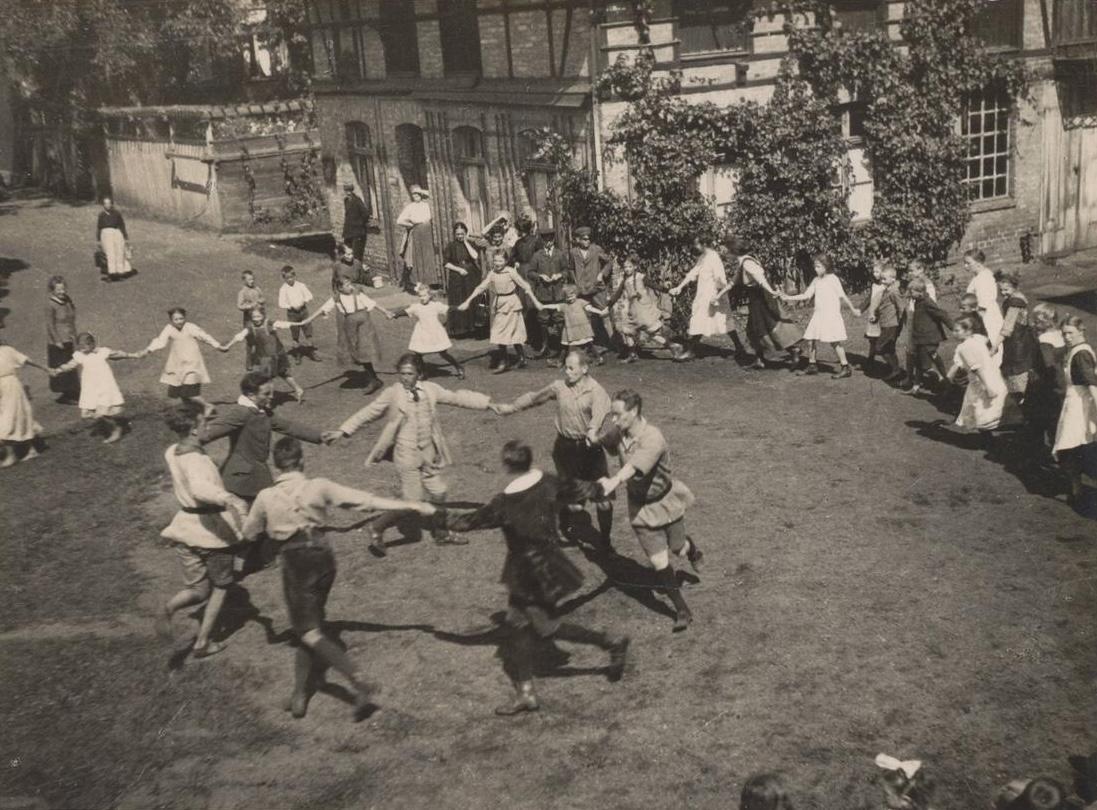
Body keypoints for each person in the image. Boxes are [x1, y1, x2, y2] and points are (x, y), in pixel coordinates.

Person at [242, 436, 436, 720]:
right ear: (302, 461)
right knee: (312, 628)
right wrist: (413, 506)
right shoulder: (318, 486)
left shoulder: (265, 496)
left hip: (297, 564)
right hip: (324, 558)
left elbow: (248, 534)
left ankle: (357, 681)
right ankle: (298, 696)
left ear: (276, 466)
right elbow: (365, 502)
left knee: (308, 631)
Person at [432, 440, 629, 716]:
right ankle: (526, 693)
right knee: (517, 625)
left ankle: (610, 642)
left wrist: (433, 516)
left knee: (546, 627)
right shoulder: (549, 483)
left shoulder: (504, 503)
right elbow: (586, 489)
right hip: (548, 566)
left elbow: (467, 522)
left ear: (508, 466)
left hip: (530, 574)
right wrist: (603, 486)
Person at [324, 353, 498, 555]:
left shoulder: (430, 390)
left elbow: (457, 397)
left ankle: (441, 534)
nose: (404, 378)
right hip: (406, 455)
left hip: (429, 454)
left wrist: (487, 404)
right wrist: (343, 430)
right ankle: (377, 527)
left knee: (439, 492)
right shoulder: (392, 393)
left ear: (420, 374)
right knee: (413, 502)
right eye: (402, 373)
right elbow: (368, 412)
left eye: (409, 374)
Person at [599, 389, 703, 632]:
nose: (614, 420)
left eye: (618, 415)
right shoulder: (618, 432)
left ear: (633, 412)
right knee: (659, 563)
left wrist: (614, 481)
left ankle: (692, 549)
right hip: (640, 509)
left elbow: (634, 466)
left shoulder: (653, 438)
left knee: (678, 548)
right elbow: (607, 443)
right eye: (612, 415)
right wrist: (592, 437)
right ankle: (682, 610)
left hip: (665, 502)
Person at [156, 402, 251, 659]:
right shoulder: (198, 461)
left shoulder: (172, 451)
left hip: (184, 529)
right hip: (210, 534)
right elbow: (200, 488)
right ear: (195, 429)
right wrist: (228, 498)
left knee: (198, 591)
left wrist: (204, 412)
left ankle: (169, 608)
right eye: (204, 423)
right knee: (222, 585)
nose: (208, 426)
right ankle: (203, 642)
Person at [497, 351, 616, 551]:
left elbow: (599, 414)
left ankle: (605, 541)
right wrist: (511, 407)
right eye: (565, 367)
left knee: (603, 501)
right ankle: (562, 520)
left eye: (571, 368)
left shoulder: (597, 391)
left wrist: (592, 430)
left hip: (590, 450)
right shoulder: (559, 387)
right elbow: (535, 398)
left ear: (584, 368)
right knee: (575, 505)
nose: (566, 371)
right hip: (565, 449)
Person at [200, 370, 325, 504]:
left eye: (271, 392)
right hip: (241, 478)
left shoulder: (263, 411)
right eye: (266, 394)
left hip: (256, 474)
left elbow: (288, 426)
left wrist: (321, 436)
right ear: (251, 395)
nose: (271, 397)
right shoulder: (241, 412)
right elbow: (207, 434)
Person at [457, 251, 545, 374]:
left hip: (511, 304)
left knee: (513, 332)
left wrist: (536, 302)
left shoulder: (511, 272)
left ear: (506, 261)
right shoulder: (492, 274)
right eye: (495, 261)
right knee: (498, 332)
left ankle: (517, 359)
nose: (497, 263)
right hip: (499, 304)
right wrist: (467, 301)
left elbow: (525, 286)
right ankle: (507, 360)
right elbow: (481, 287)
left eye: (500, 261)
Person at [50, 332, 142, 444]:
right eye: (81, 345)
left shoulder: (102, 352)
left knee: (102, 412)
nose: (83, 347)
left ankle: (115, 429)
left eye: (87, 344)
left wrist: (134, 355)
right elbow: (69, 365)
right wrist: (58, 370)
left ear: (93, 343)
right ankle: (107, 424)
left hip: (104, 387)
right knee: (87, 414)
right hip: (90, 389)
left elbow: (117, 354)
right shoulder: (80, 356)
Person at [724, 236, 801, 370]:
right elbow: (733, 281)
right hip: (755, 297)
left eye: (728, 251)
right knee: (754, 329)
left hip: (759, 298)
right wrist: (719, 294)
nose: (726, 254)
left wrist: (771, 291)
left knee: (767, 326)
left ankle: (794, 350)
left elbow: (760, 279)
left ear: (734, 251)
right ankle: (759, 359)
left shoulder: (748, 263)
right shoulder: (744, 262)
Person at [779, 253, 859, 379]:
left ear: (826, 266)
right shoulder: (816, 280)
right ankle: (812, 365)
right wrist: (787, 297)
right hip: (819, 314)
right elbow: (806, 295)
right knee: (810, 339)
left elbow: (843, 295)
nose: (816, 269)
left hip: (831, 315)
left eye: (818, 266)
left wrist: (853, 309)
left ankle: (845, 367)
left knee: (834, 341)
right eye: (815, 266)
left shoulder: (833, 279)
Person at [670, 237, 748, 363]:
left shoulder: (713, 257)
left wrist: (718, 296)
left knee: (722, 321)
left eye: (696, 244)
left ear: (704, 244)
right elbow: (693, 273)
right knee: (703, 320)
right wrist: (679, 287)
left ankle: (690, 351)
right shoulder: (703, 257)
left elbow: (720, 277)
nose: (695, 246)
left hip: (713, 296)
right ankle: (739, 348)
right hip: (704, 295)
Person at [314, 277, 395, 395]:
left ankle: (373, 380)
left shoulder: (358, 294)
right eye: (347, 285)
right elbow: (323, 309)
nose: (350, 287)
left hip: (364, 324)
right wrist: (304, 321)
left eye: (350, 284)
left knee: (365, 351)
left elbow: (373, 303)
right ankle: (374, 378)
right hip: (350, 326)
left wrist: (386, 312)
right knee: (356, 352)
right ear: (340, 288)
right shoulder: (336, 298)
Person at [219, 305, 308, 403]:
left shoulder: (269, 323)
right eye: (254, 317)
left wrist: (300, 323)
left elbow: (283, 324)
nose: (256, 319)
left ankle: (268, 401)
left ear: (263, 316)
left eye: (258, 316)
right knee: (282, 374)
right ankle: (298, 389)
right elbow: (239, 337)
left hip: (272, 356)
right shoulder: (250, 328)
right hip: (266, 355)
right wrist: (228, 345)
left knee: (266, 378)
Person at [143, 307, 223, 414]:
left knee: (190, 392)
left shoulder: (191, 327)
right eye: (176, 319)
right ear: (171, 320)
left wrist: (218, 346)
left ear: (185, 318)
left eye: (181, 318)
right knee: (179, 391)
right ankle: (191, 410)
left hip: (192, 363)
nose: (179, 321)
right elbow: (161, 341)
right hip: (177, 364)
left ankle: (207, 406)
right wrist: (148, 350)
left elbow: (204, 336)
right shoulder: (169, 328)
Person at [1053, 316, 1097, 504]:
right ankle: (1076, 489)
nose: (1067, 337)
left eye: (1071, 333)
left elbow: (1092, 384)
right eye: (1064, 334)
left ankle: (1077, 489)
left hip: (1081, 405)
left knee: (1070, 446)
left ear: (1081, 331)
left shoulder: (1081, 354)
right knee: (1073, 447)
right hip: (1074, 403)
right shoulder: (1075, 351)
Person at [606, 253, 681, 363]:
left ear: (635, 266)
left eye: (630, 266)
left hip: (643, 311)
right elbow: (617, 295)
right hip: (634, 312)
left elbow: (654, 285)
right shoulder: (625, 281)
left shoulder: (641, 277)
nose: (627, 269)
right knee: (630, 332)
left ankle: (672, 346)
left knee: (645, 333)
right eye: (625, 267)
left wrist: (667, 290)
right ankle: (634, 353)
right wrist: (608, 306)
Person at [946, 315, 1008, 434]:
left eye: (957, 331)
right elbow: (986, 343)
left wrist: (988, 387)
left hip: (982, 382)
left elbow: (976, 369)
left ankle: (988, 440)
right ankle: (988, 437)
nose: (954, 333)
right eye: (953, 330)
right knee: (987, 410)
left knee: (981, 411)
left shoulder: (964, 347)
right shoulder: (977, 338)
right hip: (993, 375)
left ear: (968, 331)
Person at [390, 283, 464, 379]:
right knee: (419, 353)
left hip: (435, 332)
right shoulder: (416, 307)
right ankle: (423, 372)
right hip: (422, 333)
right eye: (420, 296)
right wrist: (394, 314)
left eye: (424, 295)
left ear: (429, 295)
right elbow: (405, 312)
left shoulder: (436, 305)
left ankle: (459, 367)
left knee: (443, 353)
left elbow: (448, 308)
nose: (422, 298)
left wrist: (459, 308)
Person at [1024, 303, 1066, 455]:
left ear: (1046, 321)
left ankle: (1042, 451)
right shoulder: (1059, 334)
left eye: (1037, 321)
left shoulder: (1045, 340)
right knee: (1056, 418)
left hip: (1044, 385)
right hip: (1059, 382)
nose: (1035, 324)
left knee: (1038, 418)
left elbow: (1049, 365)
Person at [0, 338, 48, 468]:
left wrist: (45, 368)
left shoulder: (7, 351)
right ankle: (31, 449)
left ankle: (12, 455)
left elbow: (26, 360)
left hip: (10, 386)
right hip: (2, 390)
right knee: (16, 417)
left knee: (9, 418)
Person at [568, 226, 615, 356]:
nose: (587, 241)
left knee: (604, 313)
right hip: (582, 289)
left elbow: (609, 262)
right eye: (584, 239)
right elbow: (571, 268)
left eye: (588, 239)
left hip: (597, 288)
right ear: (577, 240)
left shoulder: (596, 249)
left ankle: (613, 342)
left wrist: (602, 274)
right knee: (585, 317)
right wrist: (576, 281)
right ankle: (589, 345)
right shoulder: (573, 252)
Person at [904, 277, 952, 395]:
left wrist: (953, 327)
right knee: (920, 362)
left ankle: (945, 380)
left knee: (926, 364)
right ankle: (916, 387)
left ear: (920, 292)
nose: (910, 294)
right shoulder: (918, 301)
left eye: (912, 292)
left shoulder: (927, 302)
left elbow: (942, 314)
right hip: (921, 338)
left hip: (929, 338)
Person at [527, 229, 569, 366]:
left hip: (557, 293)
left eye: (550, 239)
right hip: (543, 293)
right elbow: (530, 272)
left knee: (559, 319)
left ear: (553, 240)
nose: (548, 242)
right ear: (542, 241)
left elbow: (567, 270)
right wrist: (540, 276)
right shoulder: (537, 255)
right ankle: (545, 347)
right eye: (545, 240)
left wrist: (559, 275)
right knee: (543, 320)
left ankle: (562, 347)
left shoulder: (560, 254)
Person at [540, 284, 609, 366]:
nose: (570, 298)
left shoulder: (581, 302)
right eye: (567, 297)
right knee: (565, 345)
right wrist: (543, 306)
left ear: (576, 294)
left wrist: (600, 312)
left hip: (581, 327)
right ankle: (560, 361)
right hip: (569, 329)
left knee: (588, 343)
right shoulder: (565, 305)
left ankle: (598, 358)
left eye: (572, 296)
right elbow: (555, 306)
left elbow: (590, 308)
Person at [996, 270, 1039, 398]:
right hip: (1023, 337)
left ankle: (1021, 397)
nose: (1003, 293)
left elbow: (1007, 327)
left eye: (1006, 290)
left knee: (1016, 369)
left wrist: (995, 346)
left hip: (1017, 341)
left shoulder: (1014, 303)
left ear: (1014, 287)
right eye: (1001, 290)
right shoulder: (1019, 297)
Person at [443, 221, 487, 338]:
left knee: (471, 298)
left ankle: (473, 327)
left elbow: (475, 256)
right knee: (459, 300)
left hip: (471, 275)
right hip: (457, 276)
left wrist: (466, 242)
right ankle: (460, 329)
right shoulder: (450, 246)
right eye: (458, 234)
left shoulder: (470, 244)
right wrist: (458, 270)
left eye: (462, 234)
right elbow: (446, 263)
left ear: (465, 233)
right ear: (454, 234)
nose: (460, 236)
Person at [510, 216, 545, 355]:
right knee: (524, 305)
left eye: (523, 230)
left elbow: (541, 257)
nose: (522, 233)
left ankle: (539, 338)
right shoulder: (518, 243)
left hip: (532, 273)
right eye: (521, 230)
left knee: (532, 305)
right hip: (522, 273)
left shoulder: (537, 241)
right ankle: (529, 336)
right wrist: (516, 262)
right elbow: (511, 257)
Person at [45, 275, 79, 404]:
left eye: (63, 289)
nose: (62, 292)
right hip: (58, 342)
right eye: (58, 290)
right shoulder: (50, 304)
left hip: (69, 338)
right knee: (62, 367)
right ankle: (67, 394)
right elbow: (50, 325)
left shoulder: (67, 300)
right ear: (52, 290)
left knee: (71, 365)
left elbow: (71, 318)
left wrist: (75, 336)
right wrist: (57, 340)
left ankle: (72, 391)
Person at [865, 266, 904, 379]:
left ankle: (895, 368)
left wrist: (900, 323)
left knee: (879, 347)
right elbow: (882, 306)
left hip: (891, 325)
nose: (882, 281)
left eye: (884, 279)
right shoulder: (885, 291)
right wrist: (875, 316)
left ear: (893, 279)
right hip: (885, 324)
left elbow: (901, 308)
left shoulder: (893, 292)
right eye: (881, 279)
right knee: (889, 347)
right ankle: (895, 369)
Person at [396, 185, 436, 291]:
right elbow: (399, 220)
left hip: (427, 232)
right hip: (417, 231)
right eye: (414, 194)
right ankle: (419, 282)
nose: (416, 196)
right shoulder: (410, 207)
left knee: (427, 256)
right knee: (417, 257)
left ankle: (429, 282)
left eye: (417, 194)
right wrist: (410, 225)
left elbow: (429, 218)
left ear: (421, 195)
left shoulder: (426, 205)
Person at [964, 249, 1004, 349]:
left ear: (978, 263)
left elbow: (983, 305)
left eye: (968, 263)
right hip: (982, 316)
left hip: (987, 318)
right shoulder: (979, 276)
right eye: (965, 263)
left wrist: (976, 325)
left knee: (990, 347)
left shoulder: (984, 279)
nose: (965, 266)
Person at [277, 265, 318, 364]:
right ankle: (297, 355)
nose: (290, 280)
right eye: (287, 278)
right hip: (292, 314)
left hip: (303, 312)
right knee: (295, 335)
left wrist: (303, 302)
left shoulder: (301, 285)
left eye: (291, 277)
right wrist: (290, 306)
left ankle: (312, 352)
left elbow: (309, 296)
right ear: (284, 278)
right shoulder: (283, 289)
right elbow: (281, 303)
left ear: (295, 276)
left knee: (308, 332)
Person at [96, 195, 132, 280]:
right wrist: (98, 240)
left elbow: (122, 225)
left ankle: (120, 272)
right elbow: (99, 227)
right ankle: (112, 273)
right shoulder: (101, 215)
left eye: (109, 203)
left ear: (112, 204)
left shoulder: (116, 214)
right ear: (103, 205)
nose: (107, 205)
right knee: (110, 253)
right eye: (105, 203)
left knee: (119, 252)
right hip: (105, 234)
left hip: (116, 233)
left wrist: (125, 237)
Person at [341, 182, 372, 264]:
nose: (348, 193)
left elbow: (365, 214)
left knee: (357, 255)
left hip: (357, 232)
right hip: (348, 232)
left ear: (352, 191)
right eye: (346, 191)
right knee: (347, 253)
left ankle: (357, 272)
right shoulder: (346, 201)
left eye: (349, 191)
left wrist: (359, 224)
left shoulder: (357, 200)